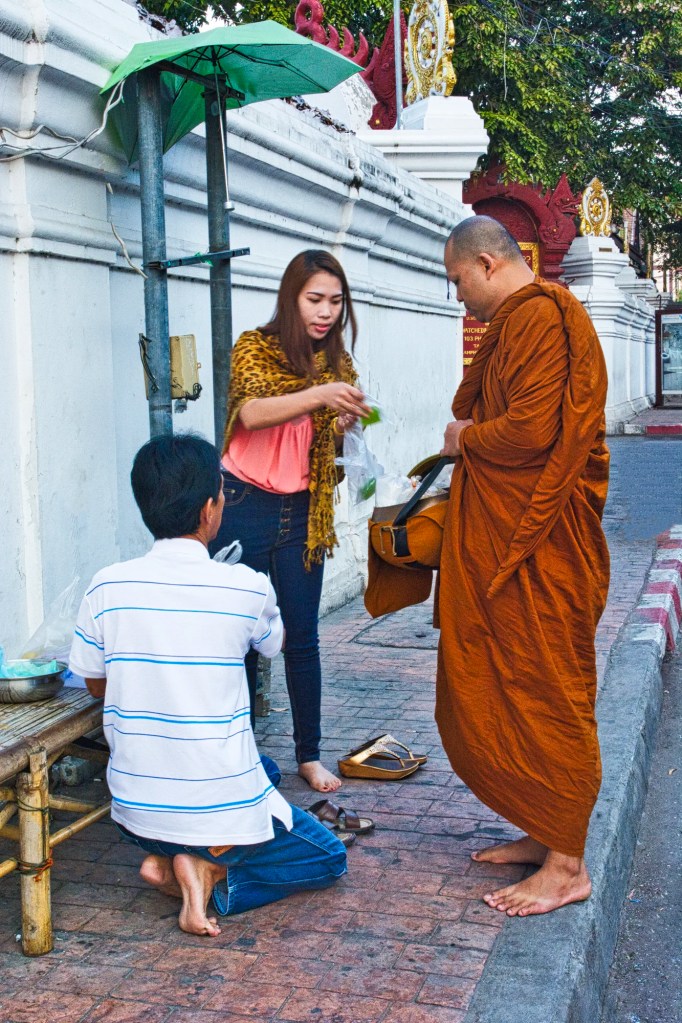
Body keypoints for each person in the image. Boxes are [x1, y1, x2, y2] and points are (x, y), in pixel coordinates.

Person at [69, 434, 347, 938]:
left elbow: (94, 684)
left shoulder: (105, 584)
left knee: (262, 768)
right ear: (210, 510)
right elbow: (274, 643)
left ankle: (167, 853)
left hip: (135, 811)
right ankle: (212, 873)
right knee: (328, 857)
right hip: (216, 808)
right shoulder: (246, 585)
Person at [437, 215, 610, 917]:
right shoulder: (522, 322)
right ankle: (545, 830)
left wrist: (464, 436)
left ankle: (567, 864)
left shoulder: (538, 318)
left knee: (548, 687)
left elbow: (534, 432)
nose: (458, 298)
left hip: (542, 546)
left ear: (484, 263)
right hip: (513, 539)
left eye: (456, 281)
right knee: (509, 676)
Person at [210, 250, 370, 793]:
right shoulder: (255, 348)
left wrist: (345, 425)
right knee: (237, 638)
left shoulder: (339, 366)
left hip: (304, 510)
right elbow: (250, 412)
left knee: (301, 636)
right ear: (291, 298)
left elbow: (336, 456)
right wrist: (319, 397)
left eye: (335, 301)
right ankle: (235, 752)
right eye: (314, 299)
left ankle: (308, 754)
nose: (326, 312)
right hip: (242, 505)